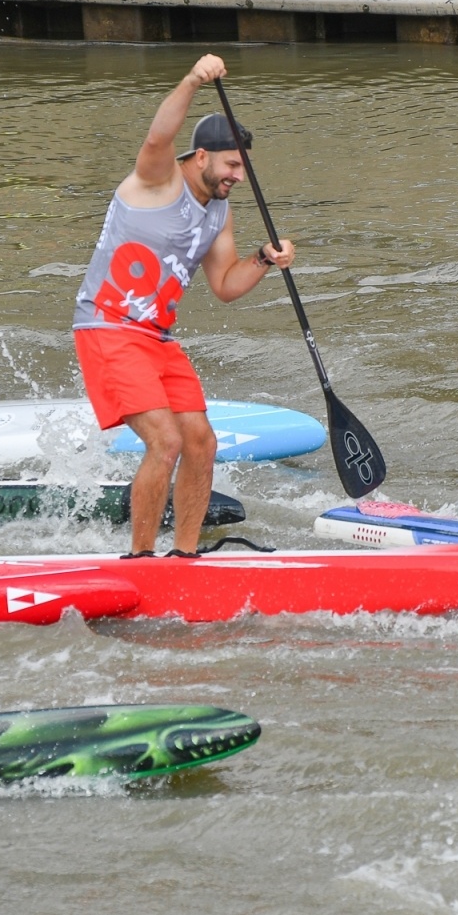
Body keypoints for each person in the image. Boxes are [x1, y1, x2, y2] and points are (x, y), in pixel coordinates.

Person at [73, 55, 294, 557]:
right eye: (232, 164)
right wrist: (194, 80)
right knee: (165, 441)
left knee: (201, 441)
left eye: (244, 167)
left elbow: (225, 284)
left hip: (157, 338)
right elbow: (157, 137)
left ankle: (185, 556)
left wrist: (263, 258)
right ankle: (141, 557)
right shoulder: (158, 179)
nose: (238, 175)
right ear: (201, 156)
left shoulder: (220, 212)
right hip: (107, 327)